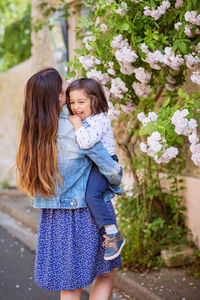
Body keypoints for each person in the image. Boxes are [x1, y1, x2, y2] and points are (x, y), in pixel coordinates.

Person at [16, 68, 123, 300]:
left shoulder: (33, 132)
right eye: (63, 85)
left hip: (54, 218)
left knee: (69, 286)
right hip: (87, 213)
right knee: (104, 273)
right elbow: (110, 168)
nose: (67, 86)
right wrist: (116, 183)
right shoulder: (77, 127)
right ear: (58, 95)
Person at [66, 78, 125, 261]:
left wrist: (76, 125)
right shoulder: (87, 119)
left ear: (95, 101)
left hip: (104, 164)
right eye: (72, 102)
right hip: (94, 164)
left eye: (81, 102)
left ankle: (113, 234)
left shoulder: (99, 120)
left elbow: (85, 143)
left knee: (92, 195)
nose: (75, 107)